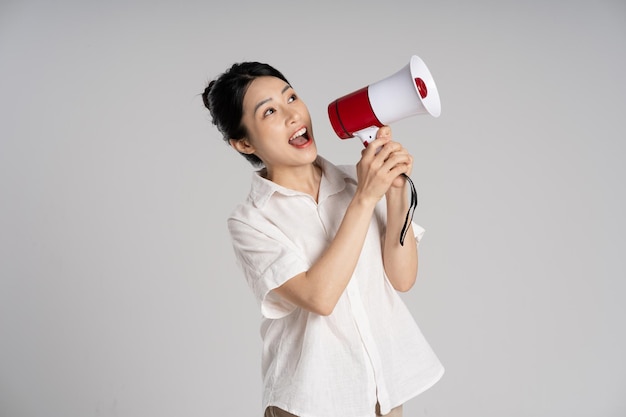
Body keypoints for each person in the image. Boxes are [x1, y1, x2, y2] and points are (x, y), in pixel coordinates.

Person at [201, 61, 444, 417]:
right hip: (310, 404)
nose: (292, 114)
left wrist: (394, 193)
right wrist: (364, 198)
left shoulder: (354, 182)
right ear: (243, 143)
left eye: (292, 97)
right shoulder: (251, 221)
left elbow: (402, 278)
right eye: (269, 111)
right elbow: (319, 296)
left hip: (383, 398)